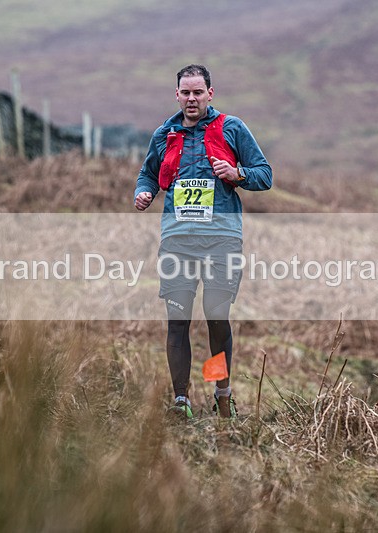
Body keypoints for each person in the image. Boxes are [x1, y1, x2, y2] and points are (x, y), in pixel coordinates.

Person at [134, 64, 273, 419]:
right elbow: (148, 174)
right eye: (186, 92)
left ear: (210, 93)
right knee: (177, 319)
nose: (192, 98)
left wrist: (237, 173)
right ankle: (181, 401)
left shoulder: (232, 128)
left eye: (198, 92)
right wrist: (144, 192)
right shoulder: (164, 134)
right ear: (177, 95)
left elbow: (264, 175)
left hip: (221, 239)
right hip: (177, 240)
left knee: (216, 316)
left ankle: (221, 393)